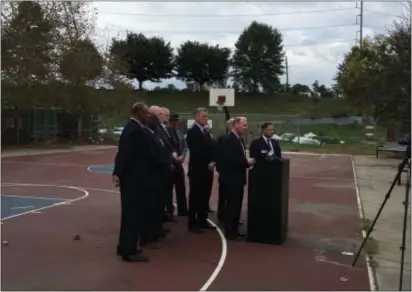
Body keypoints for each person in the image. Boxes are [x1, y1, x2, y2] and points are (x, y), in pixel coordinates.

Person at [112, 102, 150, 262]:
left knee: (131, 213)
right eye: (145, 113)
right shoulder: (133, 129)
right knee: (132, 214)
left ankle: (125, 246)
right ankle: (129, 250)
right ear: (138, 112)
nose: (148, 116)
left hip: (133, 176)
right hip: (133, 178)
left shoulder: (133, 128)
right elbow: (125, 153)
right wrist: (118, 173)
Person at [141, 111, 174, 247]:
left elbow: (164, 149)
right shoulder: (147, 135)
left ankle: (155, 232)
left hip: (160, 175)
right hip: (152, 176)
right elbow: (153, 155)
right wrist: (165, 164)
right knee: (150, 207)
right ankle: (147, 237)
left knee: (157, 205)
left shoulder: (155, 134)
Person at [219, 117, 255, 240]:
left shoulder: (239, 139)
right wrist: (246, 162)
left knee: (237, 204)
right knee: (232, 205)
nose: (246, 128)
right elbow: (230, 159)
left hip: (238, 178)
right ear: (236, 125)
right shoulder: (228, 139)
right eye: (244, 125)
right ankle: (229, 231)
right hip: (231, 178)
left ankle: (234, 229)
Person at [186, 107, 216, 233]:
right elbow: (196, 151)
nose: (206, 118)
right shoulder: (192, 132)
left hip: (208, 169)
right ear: (197, 117)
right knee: (195, 196)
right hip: (198, 169)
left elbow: (212, 147)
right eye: (204, 116)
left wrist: (213, 160)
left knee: (205, 195)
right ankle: (192, 223)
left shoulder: (206, 131)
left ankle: (203, 219)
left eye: (207, 116)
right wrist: (207, 162)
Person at [149, 106, 178, 223]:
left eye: (163, 115)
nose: (163, 117)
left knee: (164, 195)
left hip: (165, 167)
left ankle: (160, 220)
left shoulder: (162, 128)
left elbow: (167, 145)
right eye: (160, 114)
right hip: (157, 170)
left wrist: (173, 153)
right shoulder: (153, 130)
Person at [169, 112, 189, 216]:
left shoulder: (180, 132)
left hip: (179, 164)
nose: (175, 122)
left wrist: (183, 156)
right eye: (173, 120)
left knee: (181, 188)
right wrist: (174, 157)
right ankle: (169, 210)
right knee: (168, 189)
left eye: (176, 120)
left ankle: (183, 209)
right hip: (170, 164)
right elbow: (167, 147)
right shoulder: (166, 132)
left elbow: (185, 146)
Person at [216, 118, 234, 224]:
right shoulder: (222, 139)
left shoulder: (239, 138)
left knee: (232, 196)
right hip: (225, 171)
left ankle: (230, 215)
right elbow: (219, 155)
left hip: (233, 172)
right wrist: (220, 169)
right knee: (223, 195)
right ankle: (221, 215)